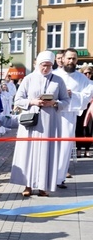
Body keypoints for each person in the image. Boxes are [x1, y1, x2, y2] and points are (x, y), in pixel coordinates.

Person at [10, 50, 70, 197]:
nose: (46, 68)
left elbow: (66, 101)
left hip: (49, 122)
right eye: (44, 65)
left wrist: (54, 102)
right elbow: (17, 99)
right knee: (28, 153)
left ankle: (44, 186)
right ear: (38, 64)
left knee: (46, 153)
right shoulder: (28, 79)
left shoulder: (58, 80)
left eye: (49, 65)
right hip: (31, 121)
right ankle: (28, 185)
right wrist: (33, 101)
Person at [53, 48, 93, 188]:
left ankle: (60, 177)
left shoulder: (82, 78)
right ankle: (46, 177)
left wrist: (73, 94)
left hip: (69, 115)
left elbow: (88, 94)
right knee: (50, 145)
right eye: (69, 58)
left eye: (74, 59)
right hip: (53, 114)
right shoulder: (53, 75)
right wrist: (61, 94)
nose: (71, 61)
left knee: (65, 146)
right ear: (62, 59)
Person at [76, 65, 93, 157]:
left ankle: (87, 149)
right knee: (79, 129)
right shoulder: (79, 84)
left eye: (89, 73)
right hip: (80, 108)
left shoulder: (92, 83)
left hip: (90, 108)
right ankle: (78, 149)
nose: (87, 75)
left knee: (89, 129)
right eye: (85, 73)